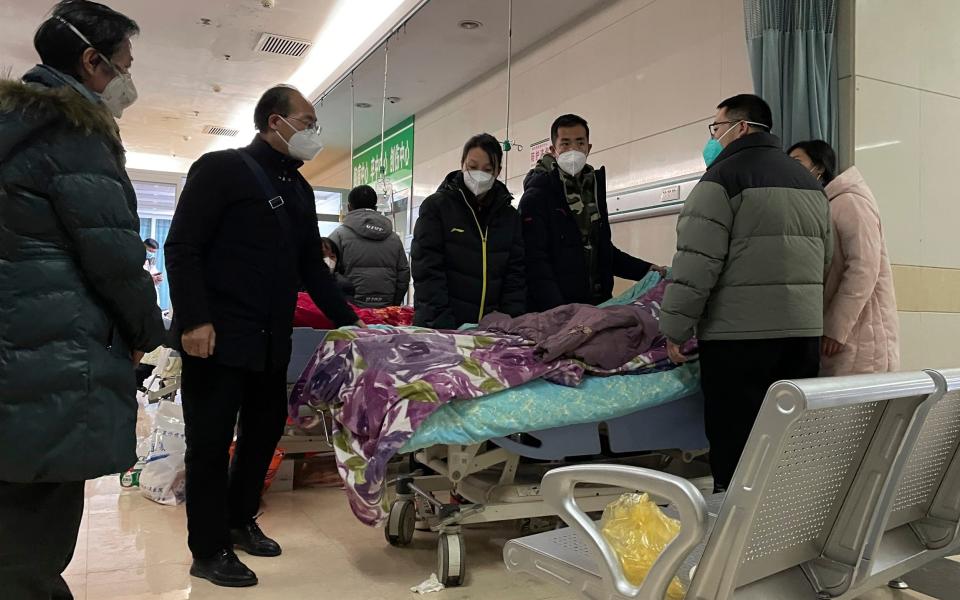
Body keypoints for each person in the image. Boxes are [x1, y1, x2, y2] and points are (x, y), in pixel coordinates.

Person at [165, 85, 361, 588]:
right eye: (308, 122)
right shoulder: (221, 169)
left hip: (270, 339)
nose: (313, 132)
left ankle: (238, 518)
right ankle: (207, 550)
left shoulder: (298, 187)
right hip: (217, 336)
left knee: (263, 433)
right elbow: (183, 246)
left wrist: (354, 320)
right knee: (209, 443)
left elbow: (310, 269)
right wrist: (192, 320)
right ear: (276, 122)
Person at [0, 2, 165, 598]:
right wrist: (152, 331)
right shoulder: (74, 134)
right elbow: (116, 260)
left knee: (14, 524)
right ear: (92, 62)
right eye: (124, 64)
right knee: (35, 542)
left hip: (16, 345)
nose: (128, 80)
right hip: (55, 355)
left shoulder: (14, 126)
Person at [660, 94, 832, 492]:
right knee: (787, 443)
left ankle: (733, 545)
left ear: (740, 127)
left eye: (716, 128)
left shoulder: (721, 180)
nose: (713, 138)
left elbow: (696, 264)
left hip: (738, 340)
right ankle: (782, 536)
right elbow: (826, 258)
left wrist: (675, 328)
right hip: (801, 338)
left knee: (737, 445)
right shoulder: (810, 183)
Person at [519, 114, 665, 312]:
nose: (573, 150)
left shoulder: (593, 190)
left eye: (580, 143)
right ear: (553, 150)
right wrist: (559, 312)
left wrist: (646, 270)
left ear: (589, 148)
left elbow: (602, 250)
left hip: (597, 307)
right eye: (565, 143)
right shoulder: (537, 195)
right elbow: (535, 263)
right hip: (556, 312)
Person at [788, 140, 900, 375]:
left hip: (861, 337)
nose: (789, 168)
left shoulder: (850, 201)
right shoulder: (824, 205)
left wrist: (836, 327)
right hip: (840, 338)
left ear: (818, 168)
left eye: (796, 162)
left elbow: (864, 267)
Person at [411, 133, 526, 328]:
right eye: (472, 167)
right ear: (462, 164)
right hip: (441, 326)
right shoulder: (436, 208)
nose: (479, 175)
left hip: (492, 331)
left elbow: (515, 275)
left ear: (498, 171)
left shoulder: (509, 217)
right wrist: (442, 324)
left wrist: (509, 322)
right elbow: (427, 271)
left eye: (487, 169)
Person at [329, 184, 411, 307]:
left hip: (350, 312)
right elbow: (403, 275)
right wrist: (393, 304)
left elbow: (326, 272)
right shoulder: (394, 238)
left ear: (349, 207)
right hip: (386, 310)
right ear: (375, 207)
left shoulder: (338, 236)